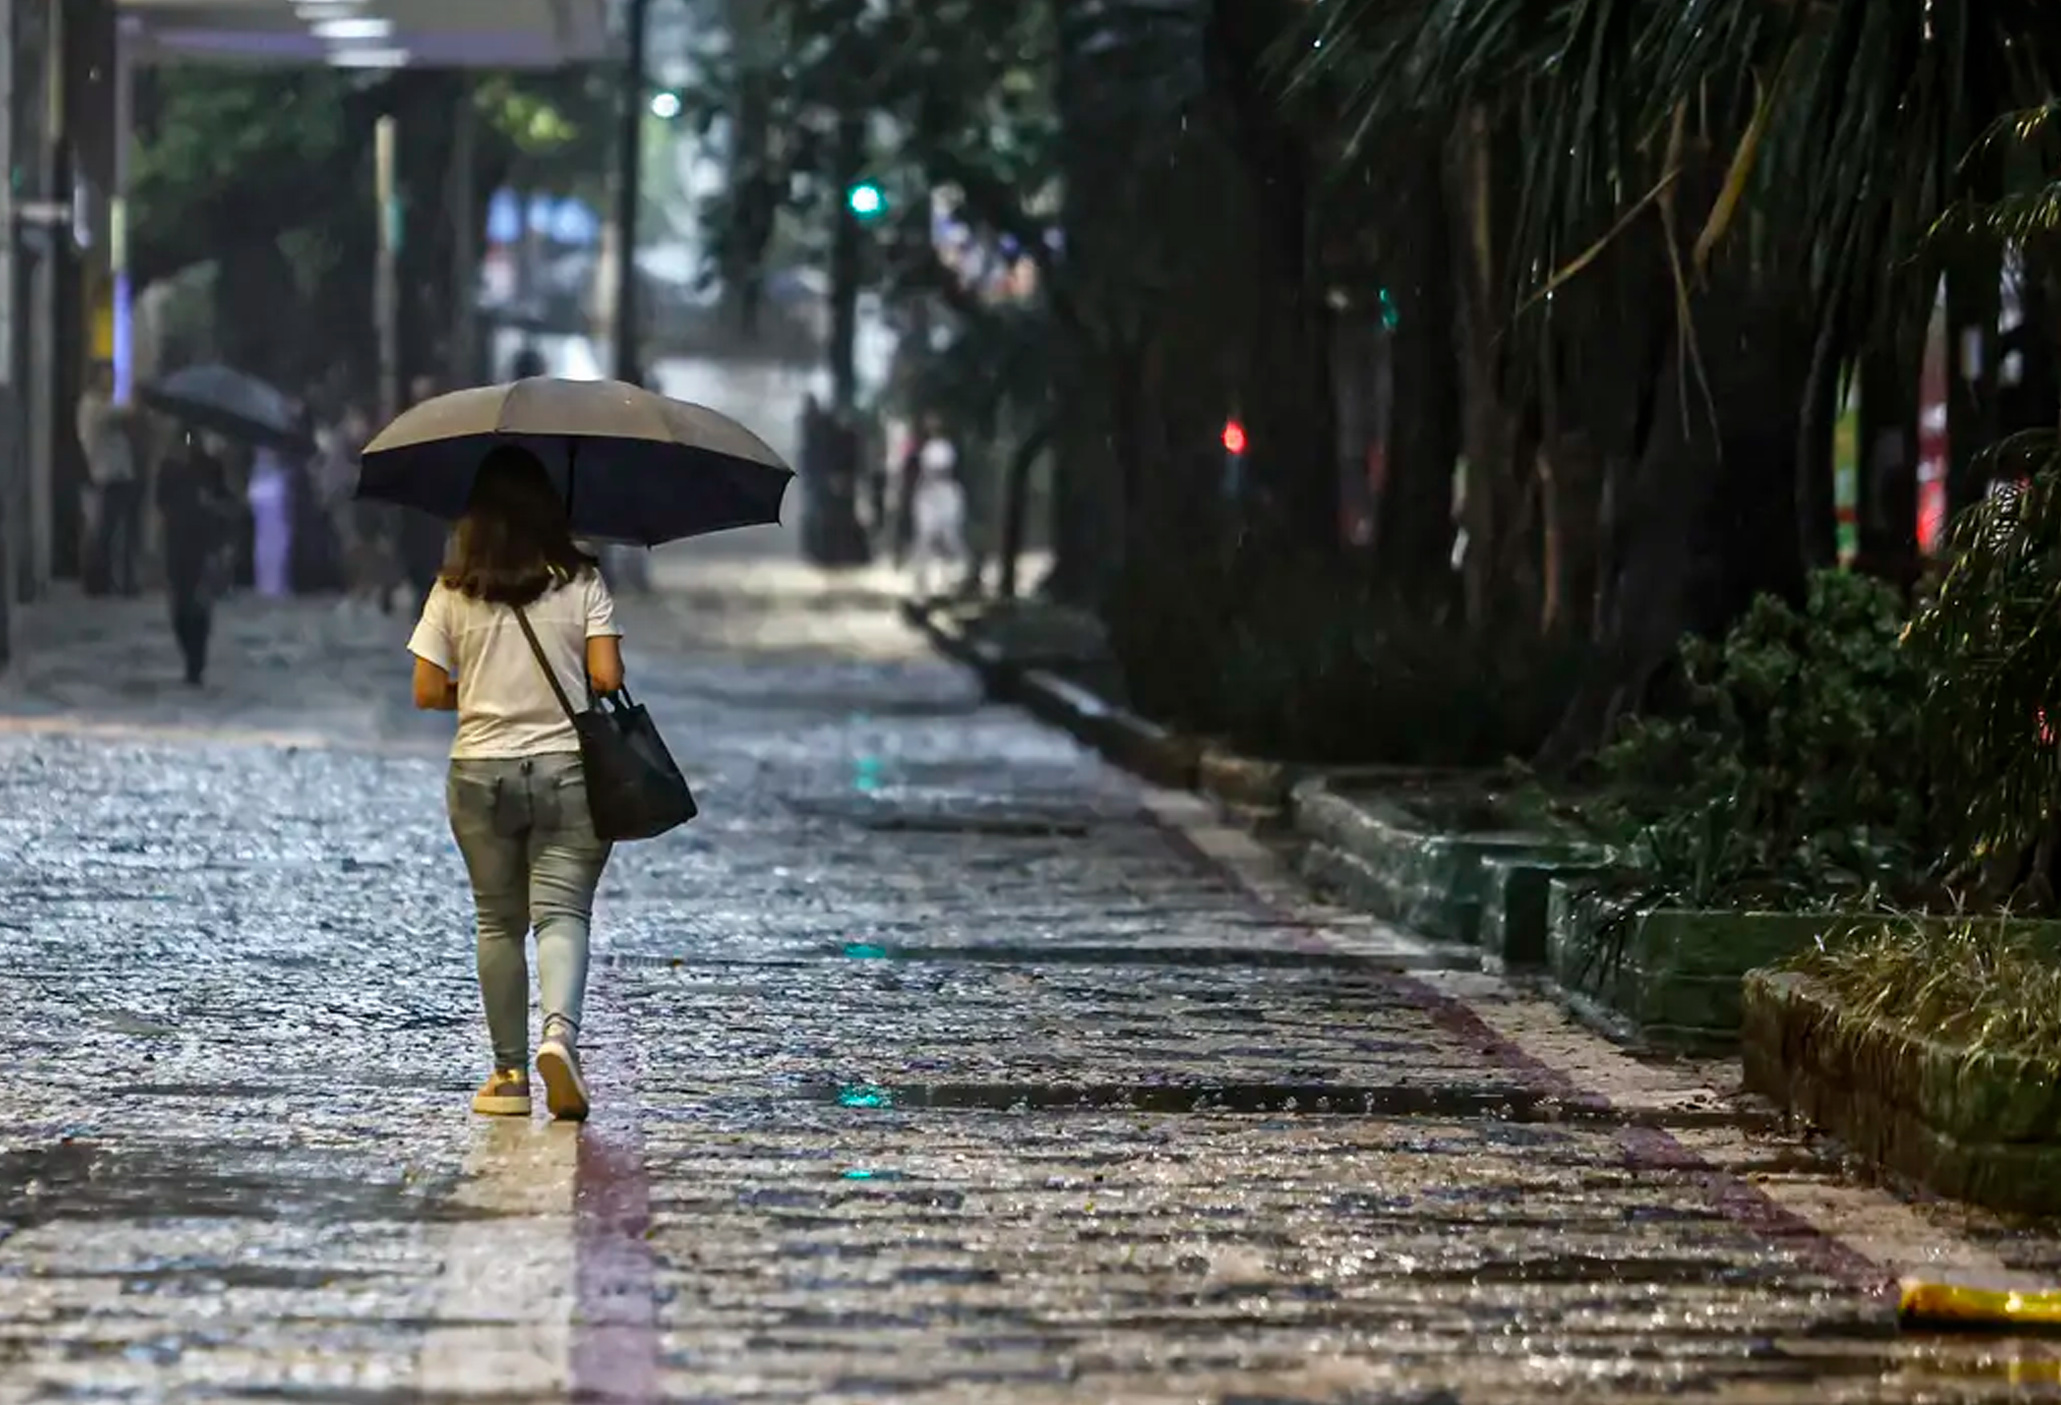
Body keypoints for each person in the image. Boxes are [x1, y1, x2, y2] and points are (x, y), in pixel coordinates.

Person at [406, 444, 624, 1122]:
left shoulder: (452, 587)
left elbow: (425, 688)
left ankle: (506, 1076)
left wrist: (481, 690)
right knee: (562, 913)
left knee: (497, 920)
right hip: (566, 767)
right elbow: (607, 678)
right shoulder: (582, 578)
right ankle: (558, 1037)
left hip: (479, 769)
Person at [157, 433, 239, 685]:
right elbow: (160, 502)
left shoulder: (210, 466)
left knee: (200, 605)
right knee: (179, 607)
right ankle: (189, 654)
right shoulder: (168, 468)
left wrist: (212, 506)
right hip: (177, 542)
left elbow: (228, 502)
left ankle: (196, 663)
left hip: (205, 543)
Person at [76, 363, 141, 596]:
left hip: (117, 475)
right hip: (108, 475)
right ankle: (98, 583)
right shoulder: (93, 406)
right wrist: (135, 393)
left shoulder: (99, 405)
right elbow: (127, 411)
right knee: (104, 532)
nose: (111, 383)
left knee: (110, 532)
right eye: (107, 378)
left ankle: (111, 582)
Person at [399, 375, 453, 609]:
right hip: (413, 503)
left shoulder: (444, 425)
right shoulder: (406, 425)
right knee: (416, 553)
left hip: (434, 502)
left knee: (433, 554)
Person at [908, 416, 966, 599]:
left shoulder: (945, 448)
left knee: (951, 537)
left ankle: (956, 578)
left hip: (944, 493)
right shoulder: (921, 448)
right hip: (928, 494)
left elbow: (942, 469)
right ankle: (921, 582)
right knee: (924, 539)